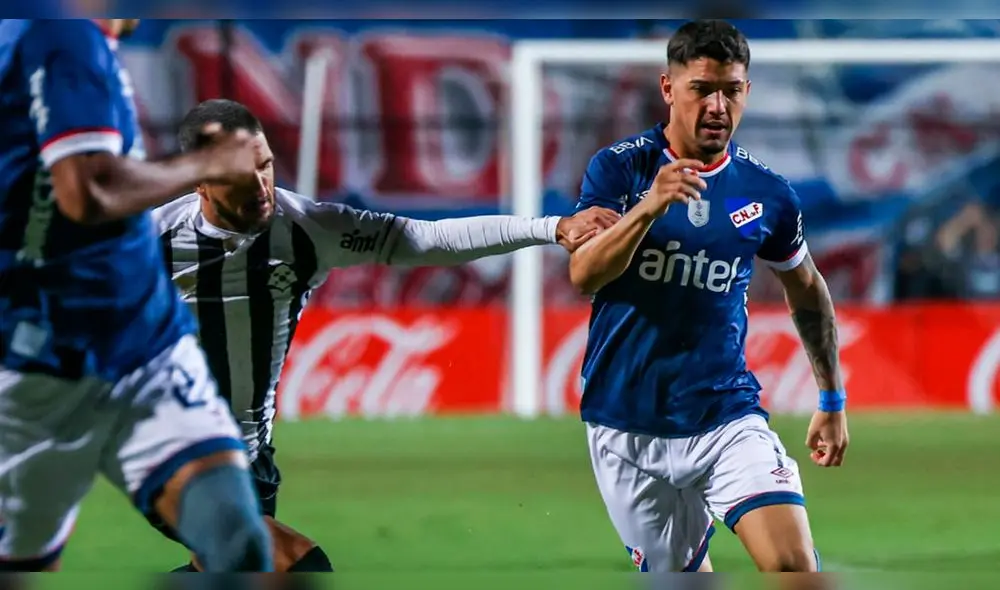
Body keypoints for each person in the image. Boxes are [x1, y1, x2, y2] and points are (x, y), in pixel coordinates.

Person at [153, 98, 619, 573]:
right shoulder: (147, 243)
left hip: (250, 458)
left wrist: (553, 226)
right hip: (173, 451)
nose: (260, 186)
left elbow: (427, 239)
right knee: (301, 566)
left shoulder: (308, 229)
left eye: (265, 165)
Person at [568, 19, 849, 573]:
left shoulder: (767, 193)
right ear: (669, 89)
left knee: (796, 570)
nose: (718, 105)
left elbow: (807, 287)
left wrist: (832, 399)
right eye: (702, 89)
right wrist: (649, 206)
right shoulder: (619, 168)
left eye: (732, 90)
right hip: (626, 428)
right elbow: (584, 274)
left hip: (725, 416)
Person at [0, 20, 276, 572]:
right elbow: (90, 191)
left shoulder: (66, 40)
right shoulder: (62, 35)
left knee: (236, 542)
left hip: (145, 346)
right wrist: (210, 163)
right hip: (43, 366)